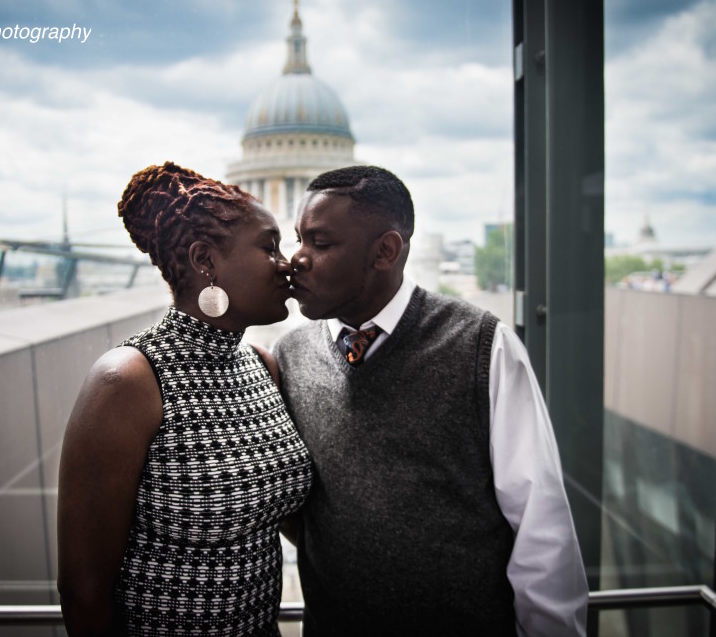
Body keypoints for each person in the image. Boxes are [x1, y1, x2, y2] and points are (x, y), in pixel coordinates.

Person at [274, 165, 588, 636]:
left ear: (385, 251)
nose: (297, 259)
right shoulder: (291, 354)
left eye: (320, 244)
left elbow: (542, 527)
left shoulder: (484, 347)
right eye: (298, 239)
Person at [57, 162, 313, 636]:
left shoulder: (262, 364)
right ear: (205, 260)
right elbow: (82, 590)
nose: (286, 264)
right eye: (268, 247)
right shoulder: (127, 382)